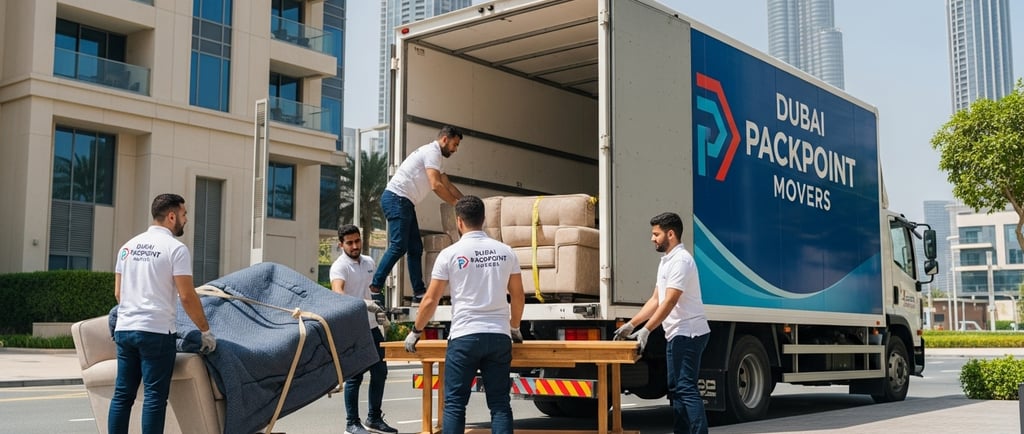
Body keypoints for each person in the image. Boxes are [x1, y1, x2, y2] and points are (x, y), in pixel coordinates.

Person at [405, 195, 525, 434]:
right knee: (500, 404)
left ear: (459, 221)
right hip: (499, 337)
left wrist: (416, 331)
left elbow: (430, 299)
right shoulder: (506, 252)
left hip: (464, 337)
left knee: (455, 405)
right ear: (484, 219)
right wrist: (514, 326)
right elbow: (518, 295)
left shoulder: (449, 254)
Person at [109, 194, 217, 434]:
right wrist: (204, 330)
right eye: (184, 214)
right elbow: (187, 296)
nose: (186, 219)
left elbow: (119, 293)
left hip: (125, 330)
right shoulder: (176, 249)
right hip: (156, 333)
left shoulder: (127, 247)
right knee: (154, 398)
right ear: (171, 216)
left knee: (122, 395)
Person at [613, 212, 710, 434]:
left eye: (656, 234)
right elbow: (655, 300)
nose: (652, 238)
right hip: (676, 333)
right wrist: (631, 325)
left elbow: (670, 301)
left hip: (689, 333)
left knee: (686, 388)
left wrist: (646, 330)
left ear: (671, 234)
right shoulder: (667, 261)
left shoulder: (682, 261)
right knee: (676, 389)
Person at [372, 125, 465, 304]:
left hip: (404, 202)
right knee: (399, 245)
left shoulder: (436, 157)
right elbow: (436, 185)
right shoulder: (432, 152)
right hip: (396, 198)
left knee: (415, 248)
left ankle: (419, 292)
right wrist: (455, 204)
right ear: (445, 139)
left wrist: (465, 202)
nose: (455, 149)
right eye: (454, 144)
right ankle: (375, 287)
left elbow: (448, 185)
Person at [329, 224, 397, 434]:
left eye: (357, 241)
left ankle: (374, 419)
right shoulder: (339, 267)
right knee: (355, 376)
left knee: (380, 372)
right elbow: (338, 293)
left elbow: (372, 290)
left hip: (371, 325)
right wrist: (363, 303)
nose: (355, 246)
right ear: (341, 245)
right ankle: (352, 423)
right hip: (351, 327)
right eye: (349, 243)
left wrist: (377, 308)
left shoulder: (369, 262)